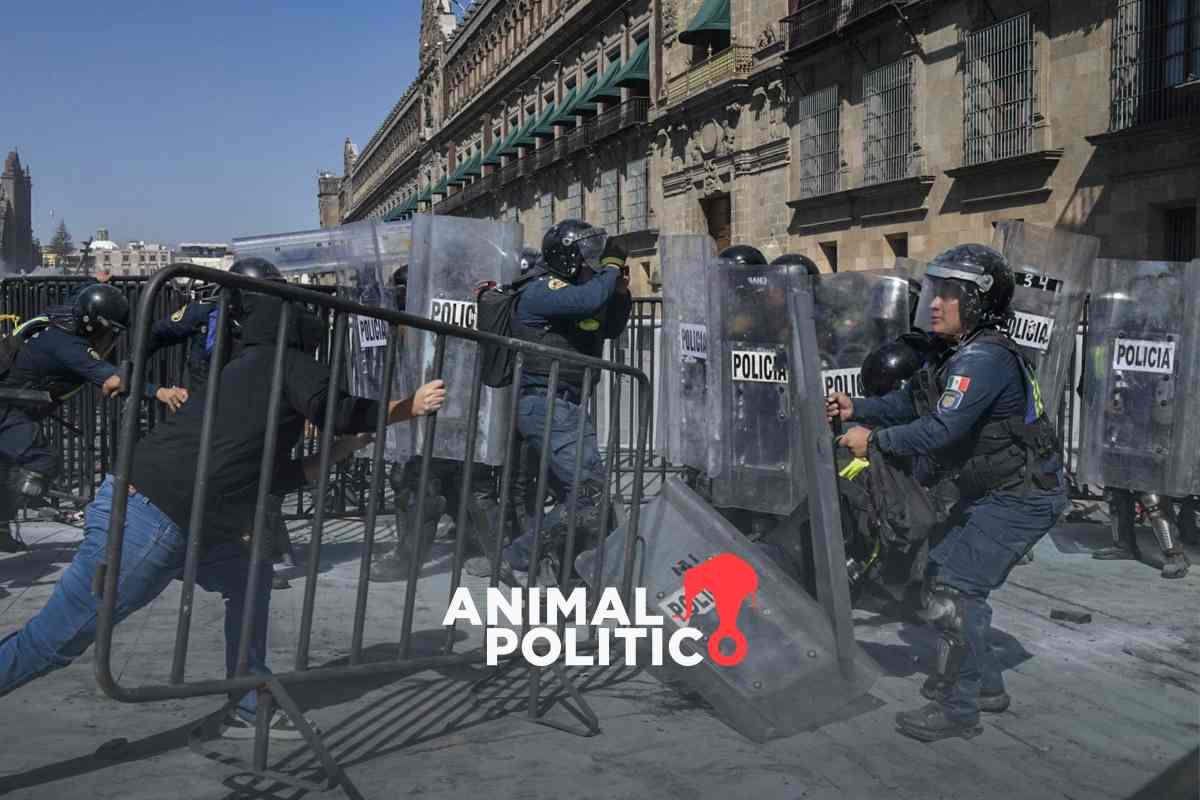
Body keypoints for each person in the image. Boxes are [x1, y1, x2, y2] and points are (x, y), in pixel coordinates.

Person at [0, 289, 446, 738]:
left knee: (249, 577)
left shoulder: (249, 378)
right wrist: (408, 407)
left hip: (181, 520)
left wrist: (343, 449)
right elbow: (343, 411)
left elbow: (276, 475)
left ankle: (248, 704)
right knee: (53, 642)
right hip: (151, 519)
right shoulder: (281, 360)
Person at [827, 244, 1068, 742]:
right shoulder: (957, 354)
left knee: (954, 589)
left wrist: (874, 441)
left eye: (949, 294)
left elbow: (939, 430)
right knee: (941, 575)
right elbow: (910, 403)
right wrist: (858, 409)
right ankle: (986, 687)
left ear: (978, 303)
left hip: (1022, 496)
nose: (934, 303)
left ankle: (959, 709)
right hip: (995, 490)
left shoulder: (984, 360)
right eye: (934, 291)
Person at [0, 285, 188, 552]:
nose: (111, 337)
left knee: (10, 464)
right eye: (110, 330)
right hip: (7, 409)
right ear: (93, 325)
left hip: (11, 406)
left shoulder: (61, 322)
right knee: (39, 461)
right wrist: (161, 392)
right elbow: (115, 380)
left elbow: (86, 295)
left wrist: (101, 282)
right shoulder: (68, 346)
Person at [500, 220, 631, 580]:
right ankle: (517, 558)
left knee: (579, 497)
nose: (594, 265)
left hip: (565, 407)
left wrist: (620, 291)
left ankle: (570, 576)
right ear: (568, 258)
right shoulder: (541, 288)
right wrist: (612, 265)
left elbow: (609, 326)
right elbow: (590, 300)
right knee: (589, 494)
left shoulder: (574, 293)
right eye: (589, 258)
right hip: (547, 404)